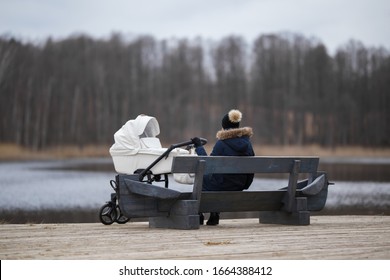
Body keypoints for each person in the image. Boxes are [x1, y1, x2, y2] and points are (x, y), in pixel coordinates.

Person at [192, 109, 255, 225]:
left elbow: (207, 164)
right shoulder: (248, 144)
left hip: (222, 184)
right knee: (214, 180)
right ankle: (214, 213)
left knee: (201, 179)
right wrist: (246, 184)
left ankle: (200, 213)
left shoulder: (222, 143)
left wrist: (198, 146)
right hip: (239, 185)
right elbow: (252, 170)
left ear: (224, 127)